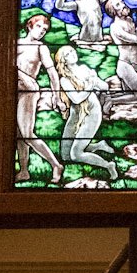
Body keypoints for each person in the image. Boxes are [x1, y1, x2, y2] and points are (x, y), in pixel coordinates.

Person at [52, 44, 119, 179]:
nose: (73, 54)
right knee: (65, 155)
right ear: (63, 60)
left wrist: (95, 79)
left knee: (75, 155)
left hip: (91, 112)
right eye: (68, 54)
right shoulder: (64, 80)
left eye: (73, 51)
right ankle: (97, 146)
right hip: (76, 113)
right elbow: (76, 99)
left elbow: (104, 86)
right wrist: (90, 85)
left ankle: (108, 166)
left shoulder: (84, 69)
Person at [15, 14, 64, 184]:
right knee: (19, 135)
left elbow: (52, 73)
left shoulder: (40, 48)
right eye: (39, 27)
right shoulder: (16, 43)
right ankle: (24, 171)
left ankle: (56, 165)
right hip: (14, 91)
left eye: (45, 30)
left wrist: (57, 96)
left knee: (27, 134)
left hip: (28, 92)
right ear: (29, 26)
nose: (42, 31)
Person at [105, 0, 137, 93]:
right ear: (113, 11)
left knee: (129, 95)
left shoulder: (129, 20)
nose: (123, 5)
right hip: (125, 65)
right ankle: (108, 99)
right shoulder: (115, 27)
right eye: (118, 5)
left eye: (122, 2)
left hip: (134, 63)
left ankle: (108, 99)